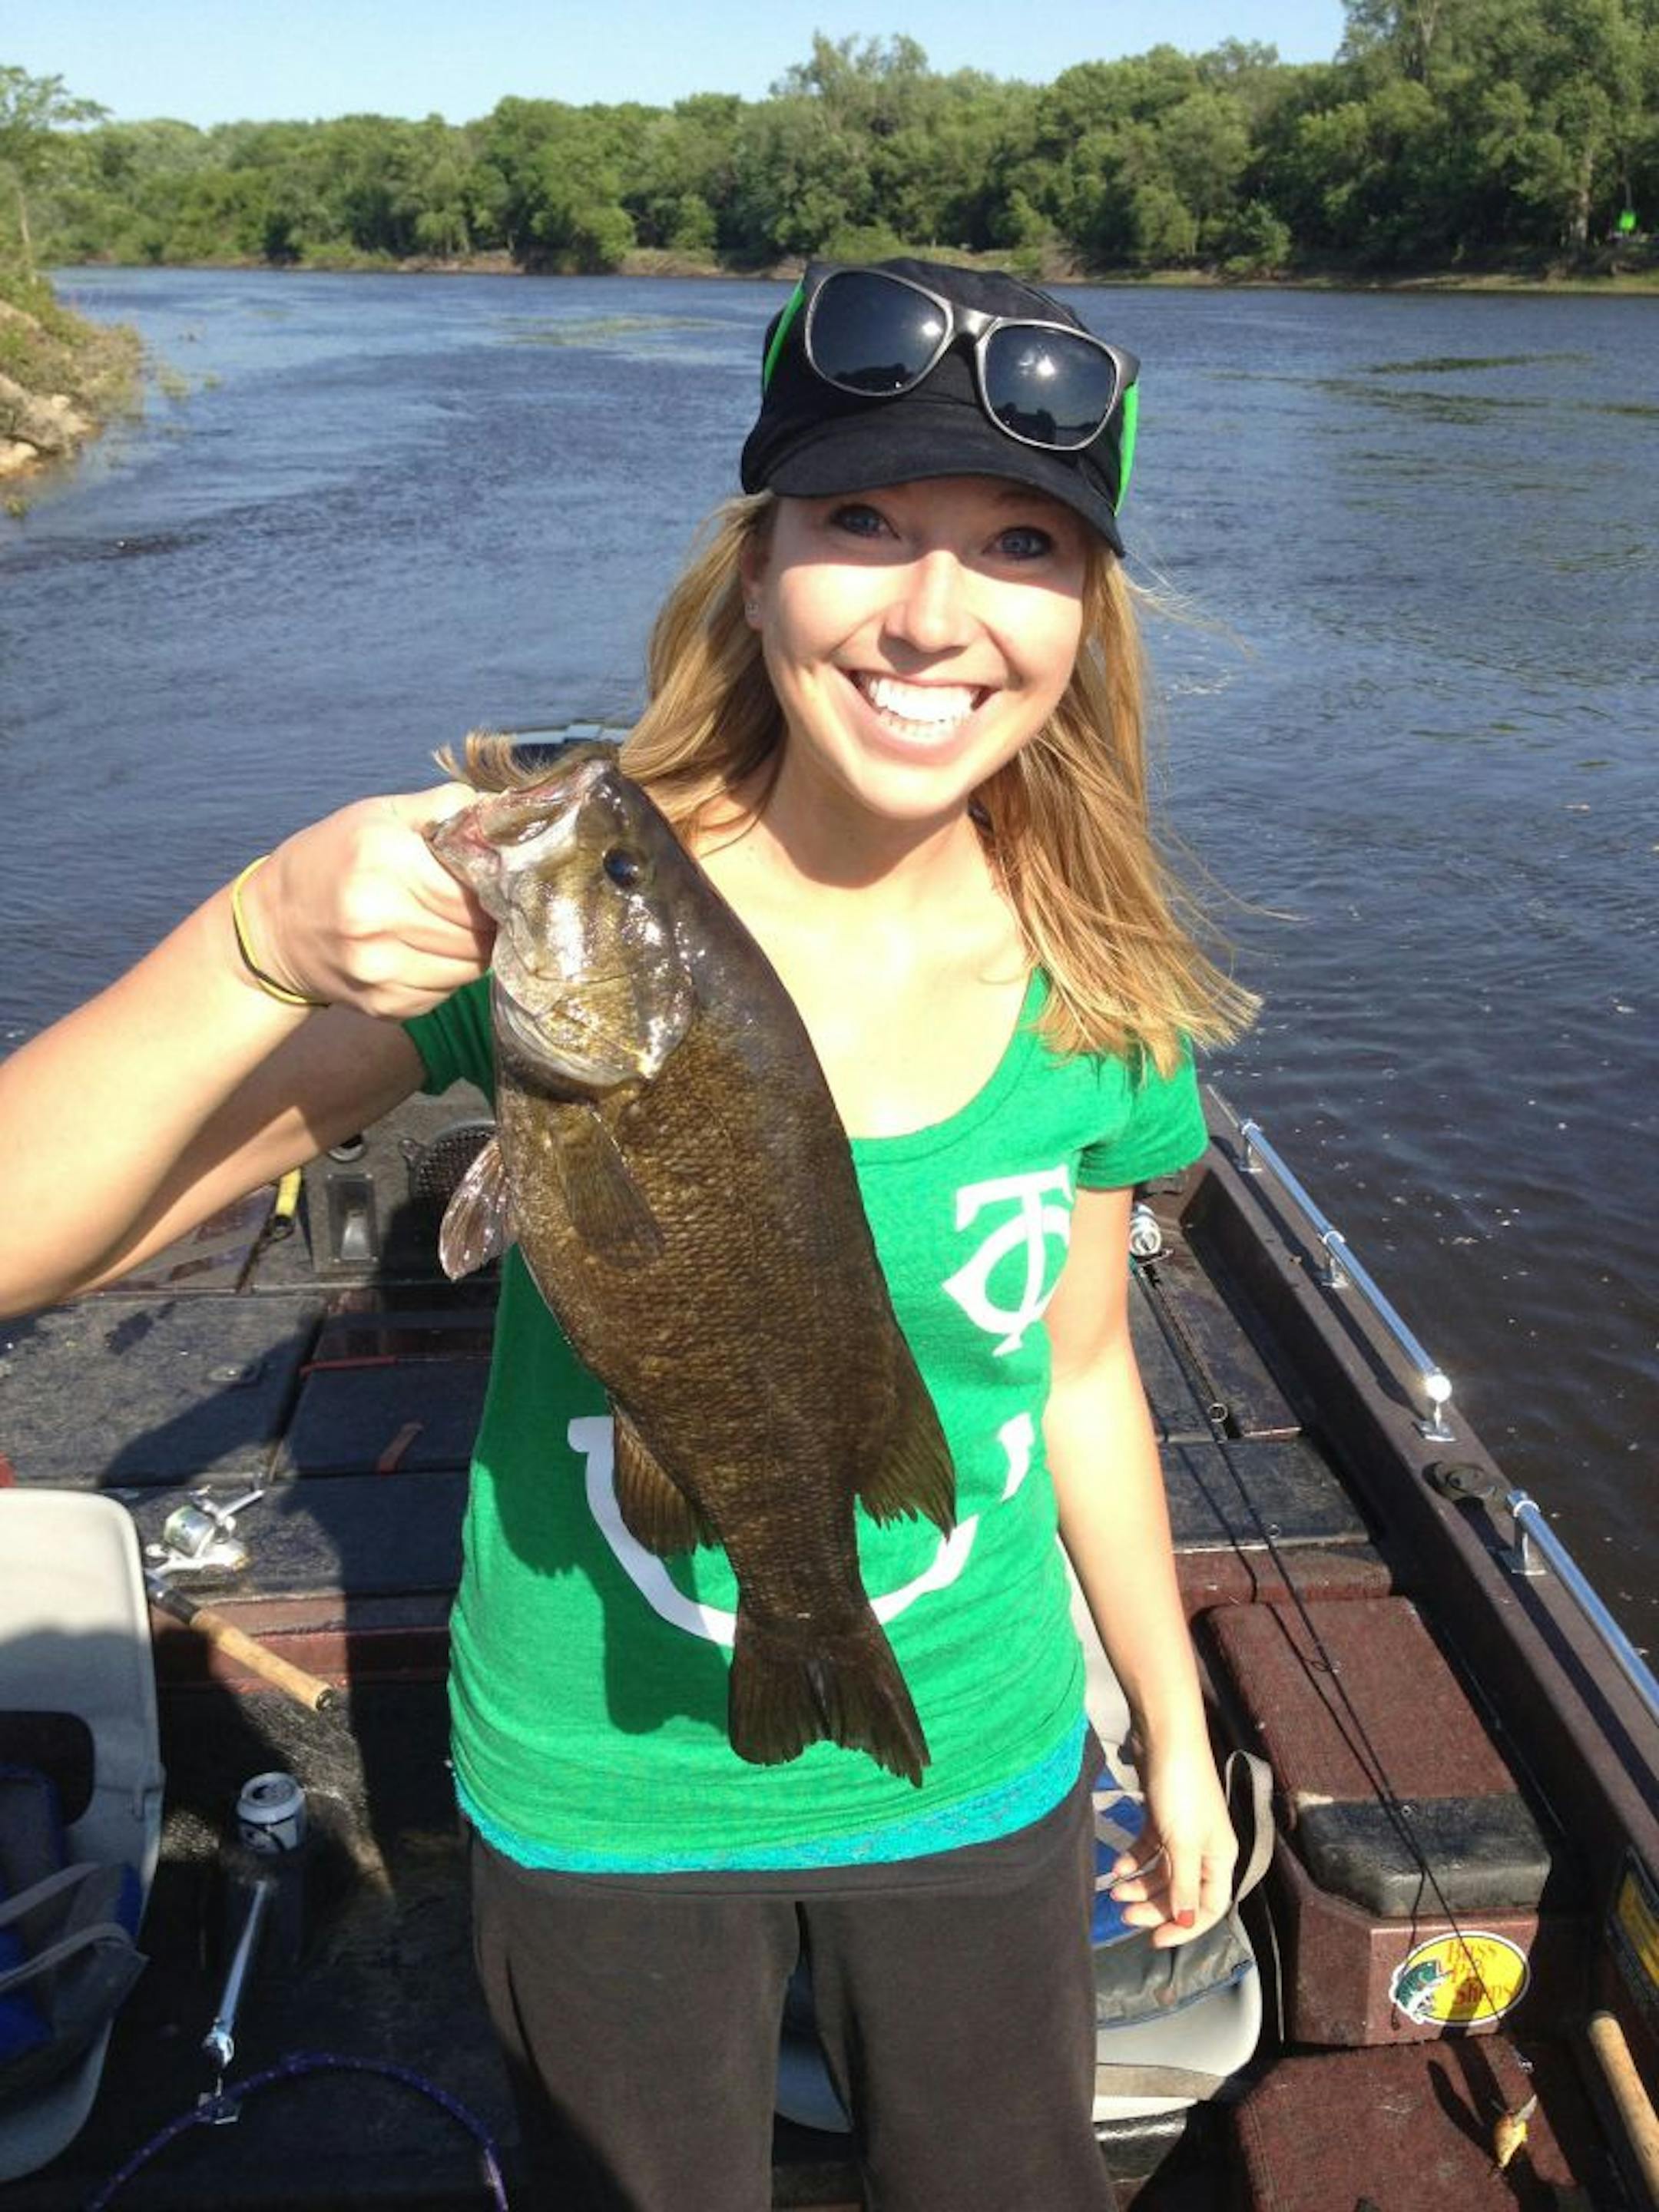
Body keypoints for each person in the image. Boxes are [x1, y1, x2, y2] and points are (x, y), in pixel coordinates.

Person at [0, 258, 1255, 2209]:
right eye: (863, 522)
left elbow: (1080, 1369)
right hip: (601, 1799)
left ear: (1087, 616)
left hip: (989, 1752)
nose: (936, 613)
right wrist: (258, 936)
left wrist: (1167, 1727)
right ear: (755, 568)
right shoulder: (546, 912)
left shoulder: (1105, 981)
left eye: (1021, 544)